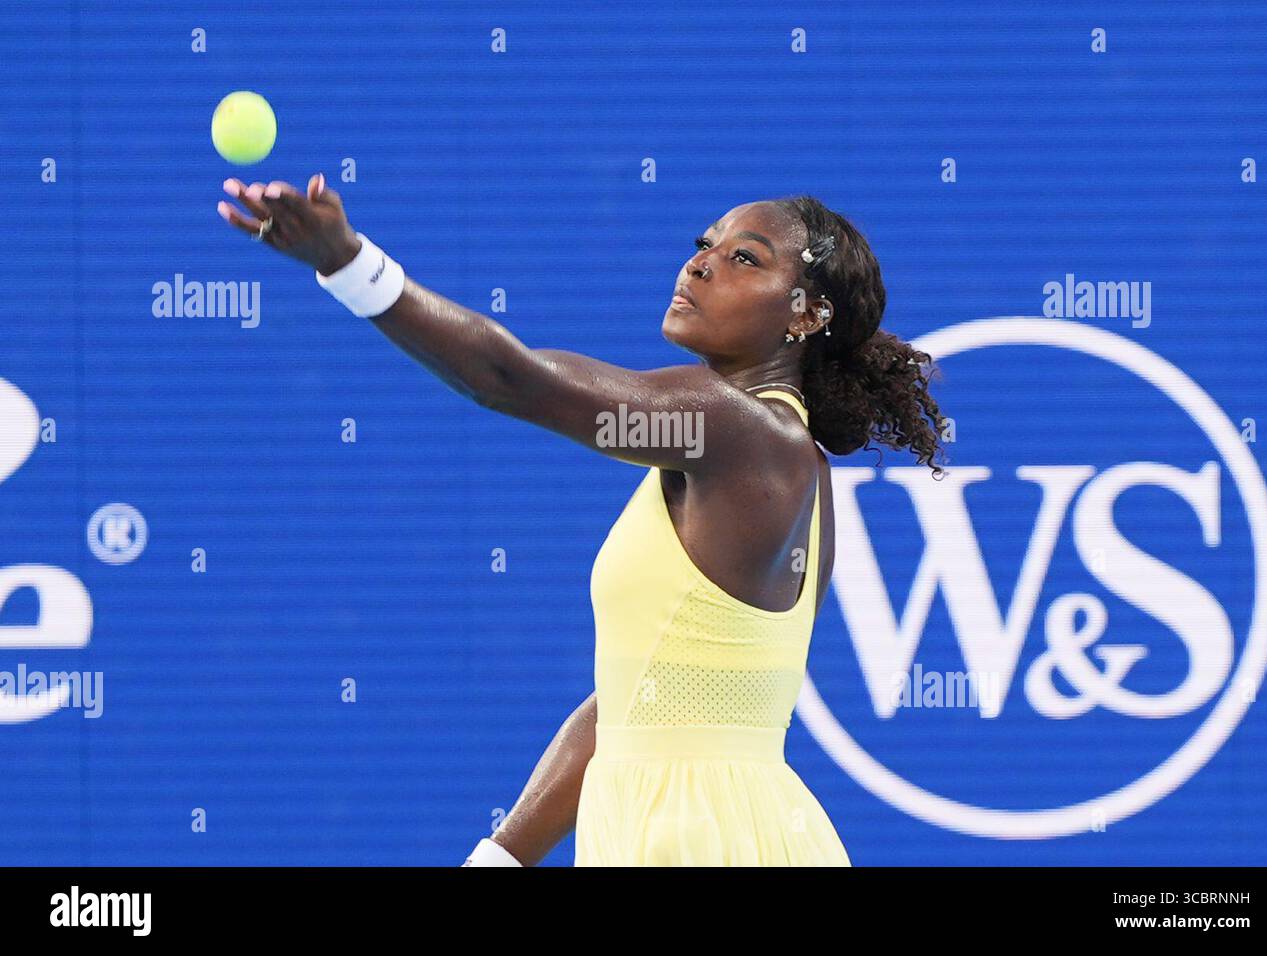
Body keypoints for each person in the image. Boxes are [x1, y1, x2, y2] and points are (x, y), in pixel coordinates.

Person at [218, 177, 946, 865]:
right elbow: (635, 701)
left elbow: (507, 380)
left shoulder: (738, 428)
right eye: (705, 243)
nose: (700, 265)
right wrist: (500, 855)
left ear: (806, 315)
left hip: (701, 839)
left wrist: (349, 264)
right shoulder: (773, 453)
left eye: (744, 258)